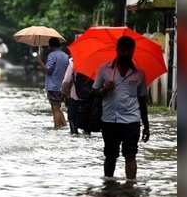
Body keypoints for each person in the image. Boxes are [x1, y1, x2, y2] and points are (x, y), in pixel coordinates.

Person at [92, 36, 150, 181]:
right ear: (117, 50)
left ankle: (130, 187)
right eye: (122, 50)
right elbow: (94, 93)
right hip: (109, 119)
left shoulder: (139, 73)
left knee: (131, 155)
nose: (125, 53)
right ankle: (108, 186)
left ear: (132, 51)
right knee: (110, 155)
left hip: (132, 121)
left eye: (128, 51)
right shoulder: (104, 69)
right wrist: (105, 89)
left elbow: (142, 100)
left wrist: (147, 125)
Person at [37, 37, 69, 129]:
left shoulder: (52, 55)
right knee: (58, 108)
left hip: (53, 86)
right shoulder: (65, 55)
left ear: (50, 46)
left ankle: (57, 128)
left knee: (55, 108)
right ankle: (63, 126)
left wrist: (39, 62)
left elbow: (48, 70)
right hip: (62, 86)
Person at [62, 56, 94, 135]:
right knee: (87, 129)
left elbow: (66, 81)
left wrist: (66, 95)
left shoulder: (73, 62)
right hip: (90, 99)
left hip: (75, 97)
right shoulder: (95, 62)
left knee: (73, 127)